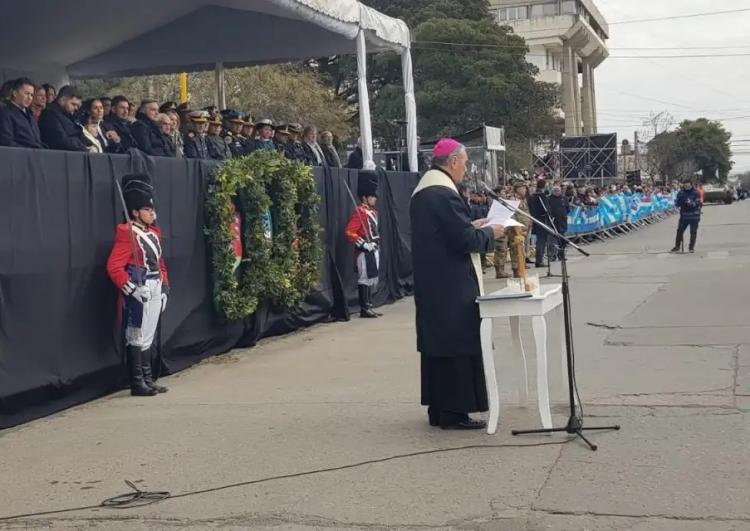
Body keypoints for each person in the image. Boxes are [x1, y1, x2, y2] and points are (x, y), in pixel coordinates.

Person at [410, 138, 504, 430]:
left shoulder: (427, 190)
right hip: (450, 283)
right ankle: (454, 411)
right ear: (452, 162)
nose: (466, 169)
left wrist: (472, 226)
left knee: (440, 344)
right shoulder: (443, 194)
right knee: (456, 341)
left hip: (434, 280)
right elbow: (464, 241)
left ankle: (440, 409)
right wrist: (491, 233)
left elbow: (450, 231)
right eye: (464, 163)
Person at [107, 174, 170, 397]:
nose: (152, 213)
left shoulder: (153, 232)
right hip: (139, 288)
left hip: (154, 285)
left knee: (149, 333)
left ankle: (147, 376)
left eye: (152, 209)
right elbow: (114, 267)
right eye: (147, 209)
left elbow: (160, 262)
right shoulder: (127, 233)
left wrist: (164, 287)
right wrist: (132, 289)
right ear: (135, 212)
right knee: (137, 334)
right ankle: (136, 381)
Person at [345, 170, 381, 319]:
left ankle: (369, 305)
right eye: (372, 196)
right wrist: (363, 244)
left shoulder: (372, 212)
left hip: (373, 248)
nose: (375, 199)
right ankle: (364, 308)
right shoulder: (359, 212)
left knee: (371, 278)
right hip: (364, 251)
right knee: (365, 278)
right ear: (365, 197)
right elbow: (349, 232)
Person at [38, 85, 91, 152]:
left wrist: (91, 146)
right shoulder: (49, 114)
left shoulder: (69, 116)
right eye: (73, 104)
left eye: (77, 106)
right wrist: (85, 148)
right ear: (62, 100)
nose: (76, 108)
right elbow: (60, 140)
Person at [0, 77, 44, 148]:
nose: (30, 98)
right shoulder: (5, 112)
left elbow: (37, 141)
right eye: (27, 93)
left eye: (32, 95)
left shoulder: (30, 115)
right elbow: (6, 141)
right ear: (14, 93)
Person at [671, 179, 702, 253]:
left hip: (694, 216)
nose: (687, 187)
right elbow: (677, 203)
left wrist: (691, 203)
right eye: (685, 186)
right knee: (679, 231)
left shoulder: (696, 193)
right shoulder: (681, 193)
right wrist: (680, 202)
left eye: (688, 186)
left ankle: (691, 247)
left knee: (693, 232)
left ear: (691, 185)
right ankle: (677, 246)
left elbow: (698, 203)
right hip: (684, 216)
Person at [529, 179, 551, 268]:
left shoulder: (532, 196)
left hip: (536, 220)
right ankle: (539, 260)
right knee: (541, 241)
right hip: (542, 220)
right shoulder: (541, 196)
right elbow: (546, 209)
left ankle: (540, 259)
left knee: (540, 241)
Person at [547, 184, 570, 260]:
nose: (557, 192)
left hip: (562, 221)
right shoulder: (549, 199)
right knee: (552, 240)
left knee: (562, 239)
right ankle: (552, 255)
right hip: (553, 221)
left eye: (558, 190)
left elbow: (567, 209)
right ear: (552, 191)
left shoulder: (564, 198)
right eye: (555, 191)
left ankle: (561, 255)